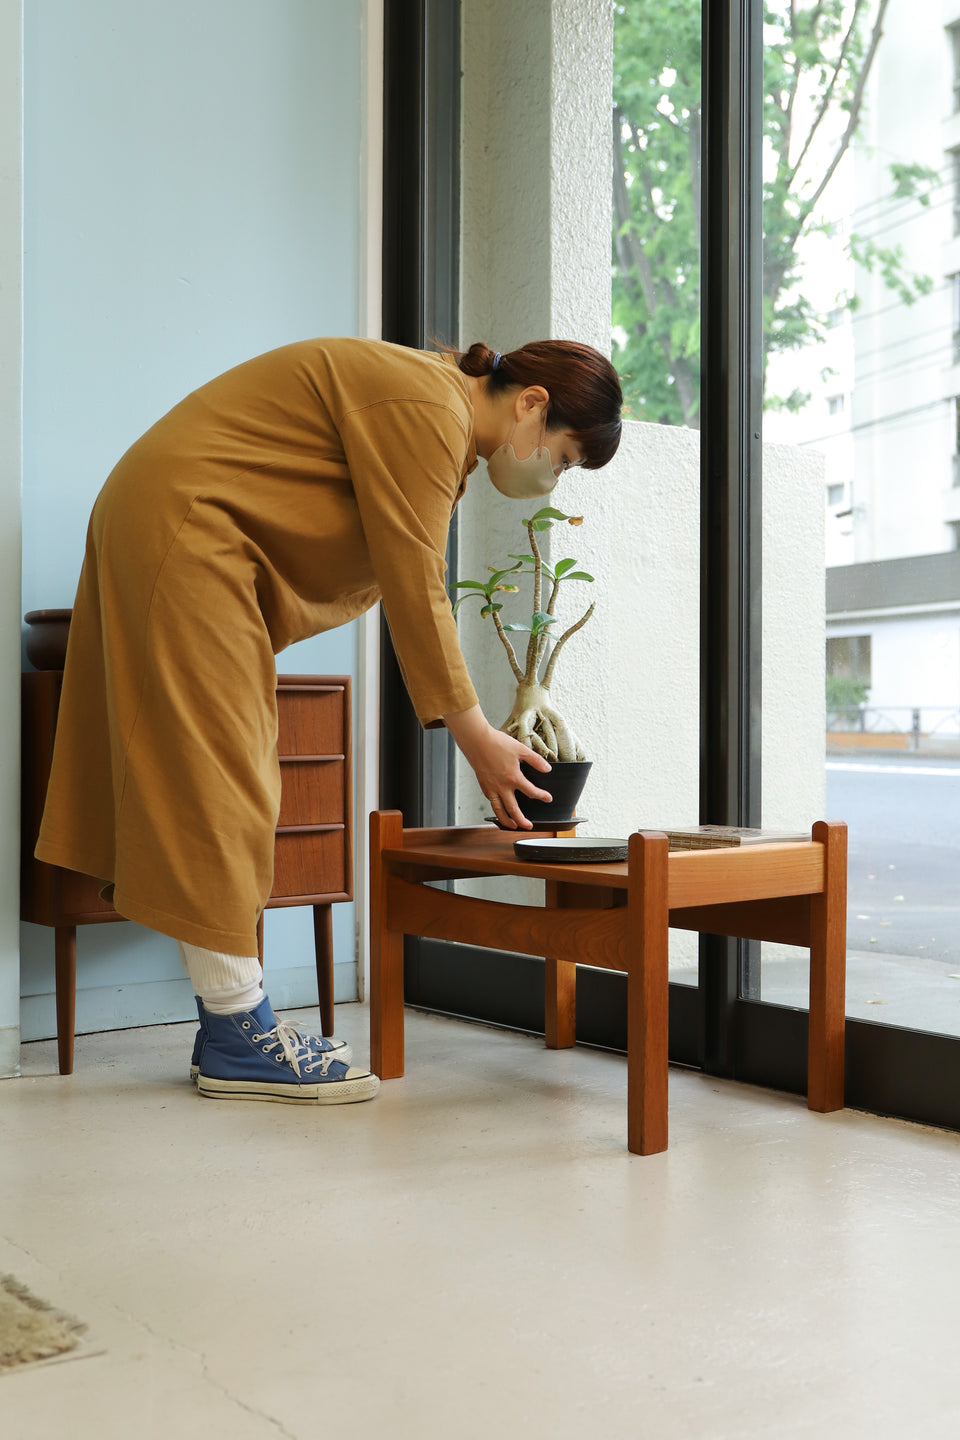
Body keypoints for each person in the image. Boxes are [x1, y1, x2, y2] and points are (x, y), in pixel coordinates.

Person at [35, 336, 623, 1105]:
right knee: (222, 775)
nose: (551, 477)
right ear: (532, 405)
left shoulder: (435, 407)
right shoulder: (433, 407)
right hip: (190, 531)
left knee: (213, 768)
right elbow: (417, 578)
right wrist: (476, 733)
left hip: (194, 533)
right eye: (565, 458)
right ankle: (236, 1033)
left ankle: (231, 1025)